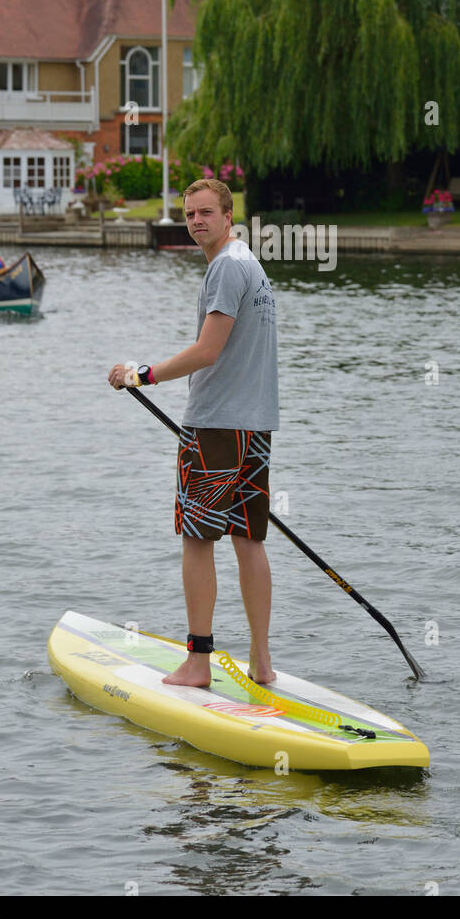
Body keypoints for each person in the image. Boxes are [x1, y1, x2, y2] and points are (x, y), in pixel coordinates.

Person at [108, 178, 279, 689]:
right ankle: (262, 662)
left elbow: (208, 351)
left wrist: (143, 373)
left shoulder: (226, 268)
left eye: (207, 212)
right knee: (248, 539)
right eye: (190, 215)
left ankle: (199, 663)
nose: (197, 221)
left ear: (229, 216)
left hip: (216, 427)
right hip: (256, 427)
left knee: (198, 540)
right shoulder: (250, 264)